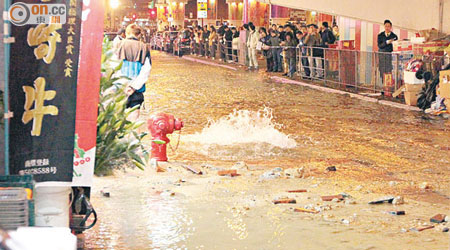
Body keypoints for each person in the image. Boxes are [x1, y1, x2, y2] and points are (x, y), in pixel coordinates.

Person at [117, 24, 152, 121]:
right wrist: (133, 87)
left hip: (119, 89)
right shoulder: (144, 48)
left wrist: (125, 86)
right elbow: (146, 70)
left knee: (116, 123)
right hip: (136, 91)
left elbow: (113, 67)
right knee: (133, 124)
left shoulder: (118, 46)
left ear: (126, 33)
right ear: (139, 35)